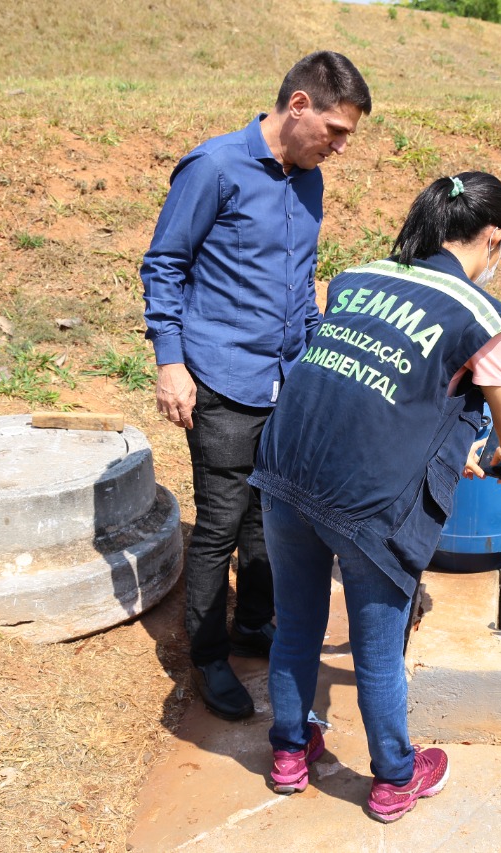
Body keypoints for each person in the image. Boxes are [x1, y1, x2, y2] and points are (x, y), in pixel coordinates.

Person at [248, 172, 501, 823]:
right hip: (367, 500)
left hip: (287, 470)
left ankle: (290, 752)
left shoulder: (359, 278)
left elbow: (378, 386)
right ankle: (394, 776)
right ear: (495, 237)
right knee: (379, 650)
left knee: (297, 624)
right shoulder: (481, 317)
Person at [140, 52, 371, 721]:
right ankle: (209, 656)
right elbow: (165, 264)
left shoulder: (310, 182)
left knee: (271, 523)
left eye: (347, 135)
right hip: (220, 376)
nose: (341, 146)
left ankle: (253, 625)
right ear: (298, 105)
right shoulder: (214, 167)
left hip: (287, 381)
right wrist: (170, 361)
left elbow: (301, 284)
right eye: (334, 129)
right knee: (217, 526)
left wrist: (320, 361)